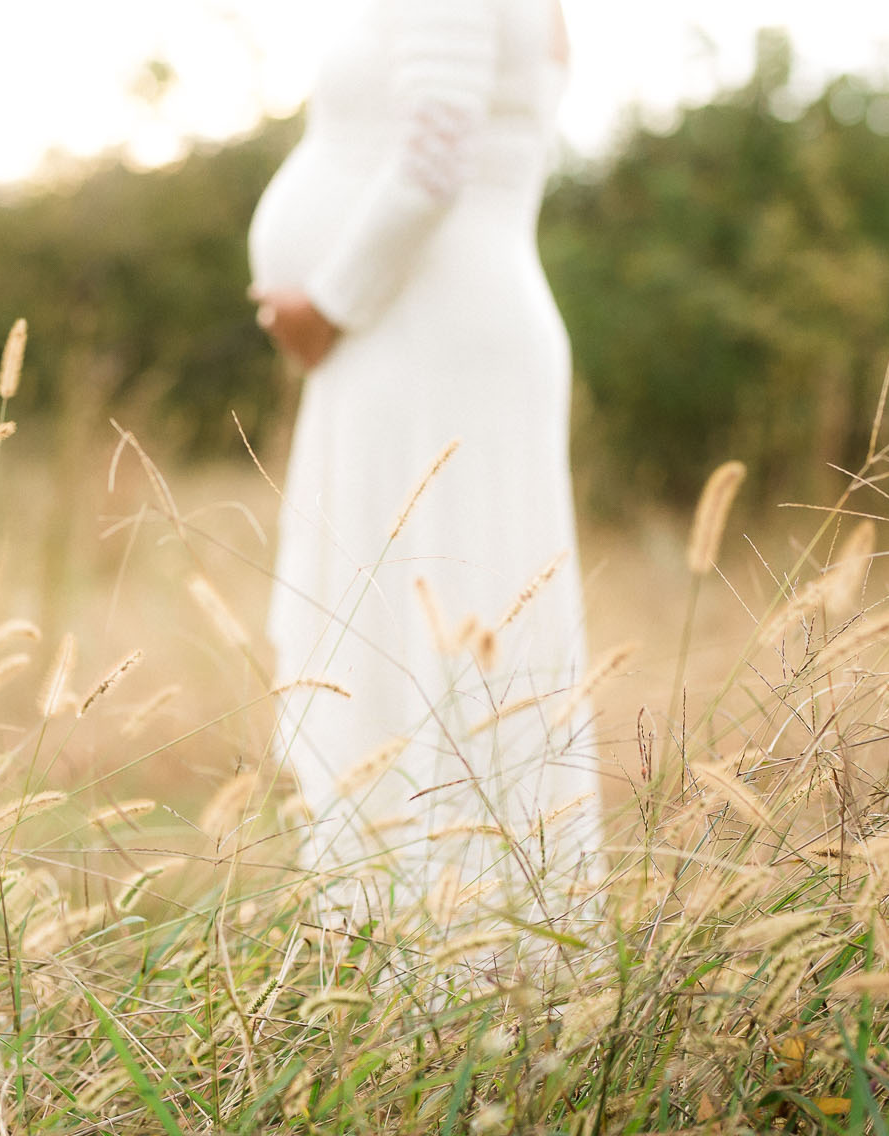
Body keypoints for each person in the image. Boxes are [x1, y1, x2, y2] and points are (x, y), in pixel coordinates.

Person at [251, 0, 601, 933]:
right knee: (410, 635)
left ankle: (445, 949)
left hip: (425, 339)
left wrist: (327, 304)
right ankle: (420, 939)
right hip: (426, 333)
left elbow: (436, 159)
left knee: (423, 638)